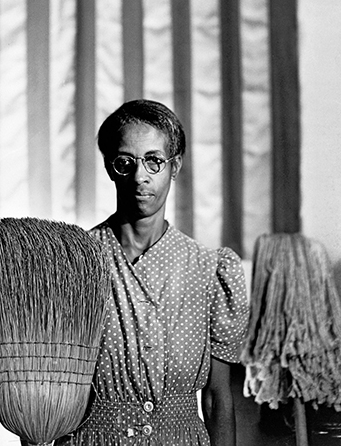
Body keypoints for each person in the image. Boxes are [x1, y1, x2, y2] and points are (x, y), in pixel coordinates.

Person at [57, 99, 249, 446]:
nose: (139, 176)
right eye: (125, 162)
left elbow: (217, 400)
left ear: (175, 165)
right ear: (110, 167)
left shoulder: (208, 270)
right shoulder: (76, 262)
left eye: (154, 161)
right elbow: (50, 387)